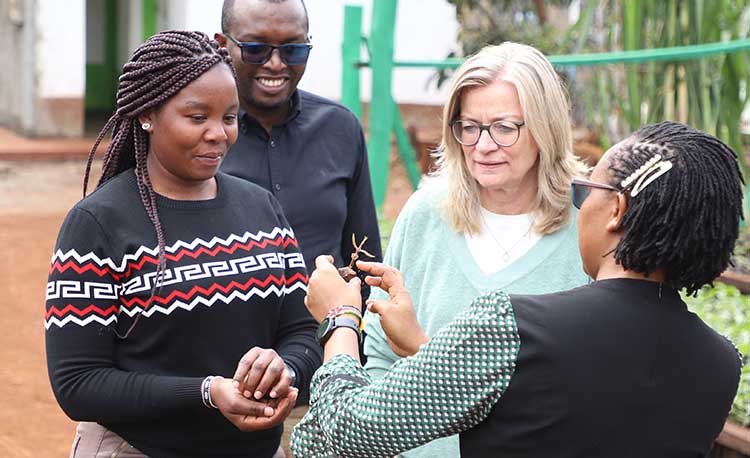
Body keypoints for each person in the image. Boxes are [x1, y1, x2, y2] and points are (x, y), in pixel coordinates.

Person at [292, 121, 743, 458]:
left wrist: (341, 319)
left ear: (616, 211)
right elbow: (545, 410)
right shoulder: (721, 363)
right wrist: (425, 350)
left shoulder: (511, 325)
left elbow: (338, 435)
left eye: (585, 192)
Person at [45, 30, 321, 458]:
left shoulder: (261, 209)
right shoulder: (98, 224)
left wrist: (283, 369)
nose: (218, 134)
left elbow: (302, 331)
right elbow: (78, 382)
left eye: (229, 118)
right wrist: (206, 392)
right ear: (147, 115)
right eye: (197, 118)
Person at [362, 42, 589, 457]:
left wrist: (424, 350)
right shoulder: (425, 213)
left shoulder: (586, 234)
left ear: (545, 128)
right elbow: (378, 350)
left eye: (504, 127)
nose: (483, 145)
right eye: (469, 126)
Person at [215, 0, 382, 292]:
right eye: (256, 48)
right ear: (221, 46)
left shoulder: (340, 129)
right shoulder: (200, 137)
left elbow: (365, 261)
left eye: (293, 50)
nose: (276, 64)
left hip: (330, 333)